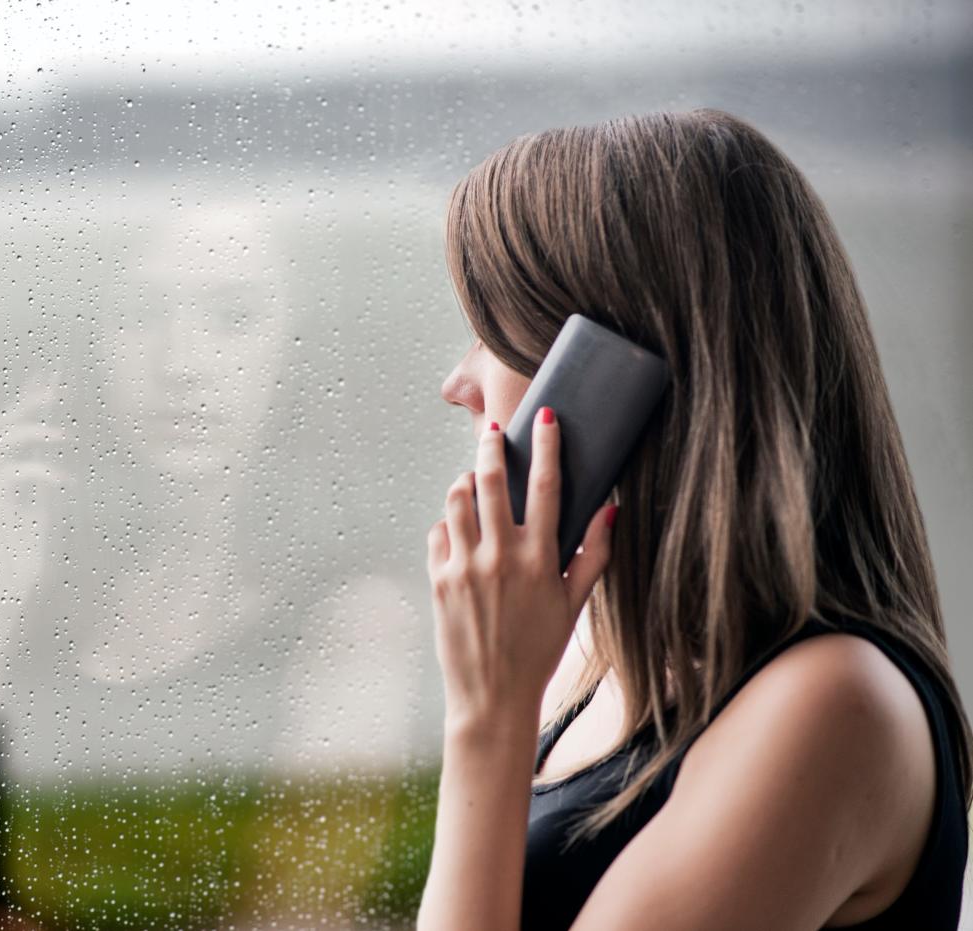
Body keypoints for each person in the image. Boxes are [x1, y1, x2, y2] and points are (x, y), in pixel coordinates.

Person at [416, 108, 973, 930]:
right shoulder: (592, 662)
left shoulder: (831, 706)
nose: (456, 383)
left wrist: (486, 722)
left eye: (492, 331)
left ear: (612, 371)